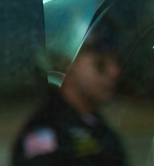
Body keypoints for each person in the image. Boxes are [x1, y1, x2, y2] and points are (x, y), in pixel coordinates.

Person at [12, 24, 127, 165]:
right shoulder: (49, 135)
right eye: (100, 64)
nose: (115, 72)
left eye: (115, 60)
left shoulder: (99, 128)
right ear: (65, 65)